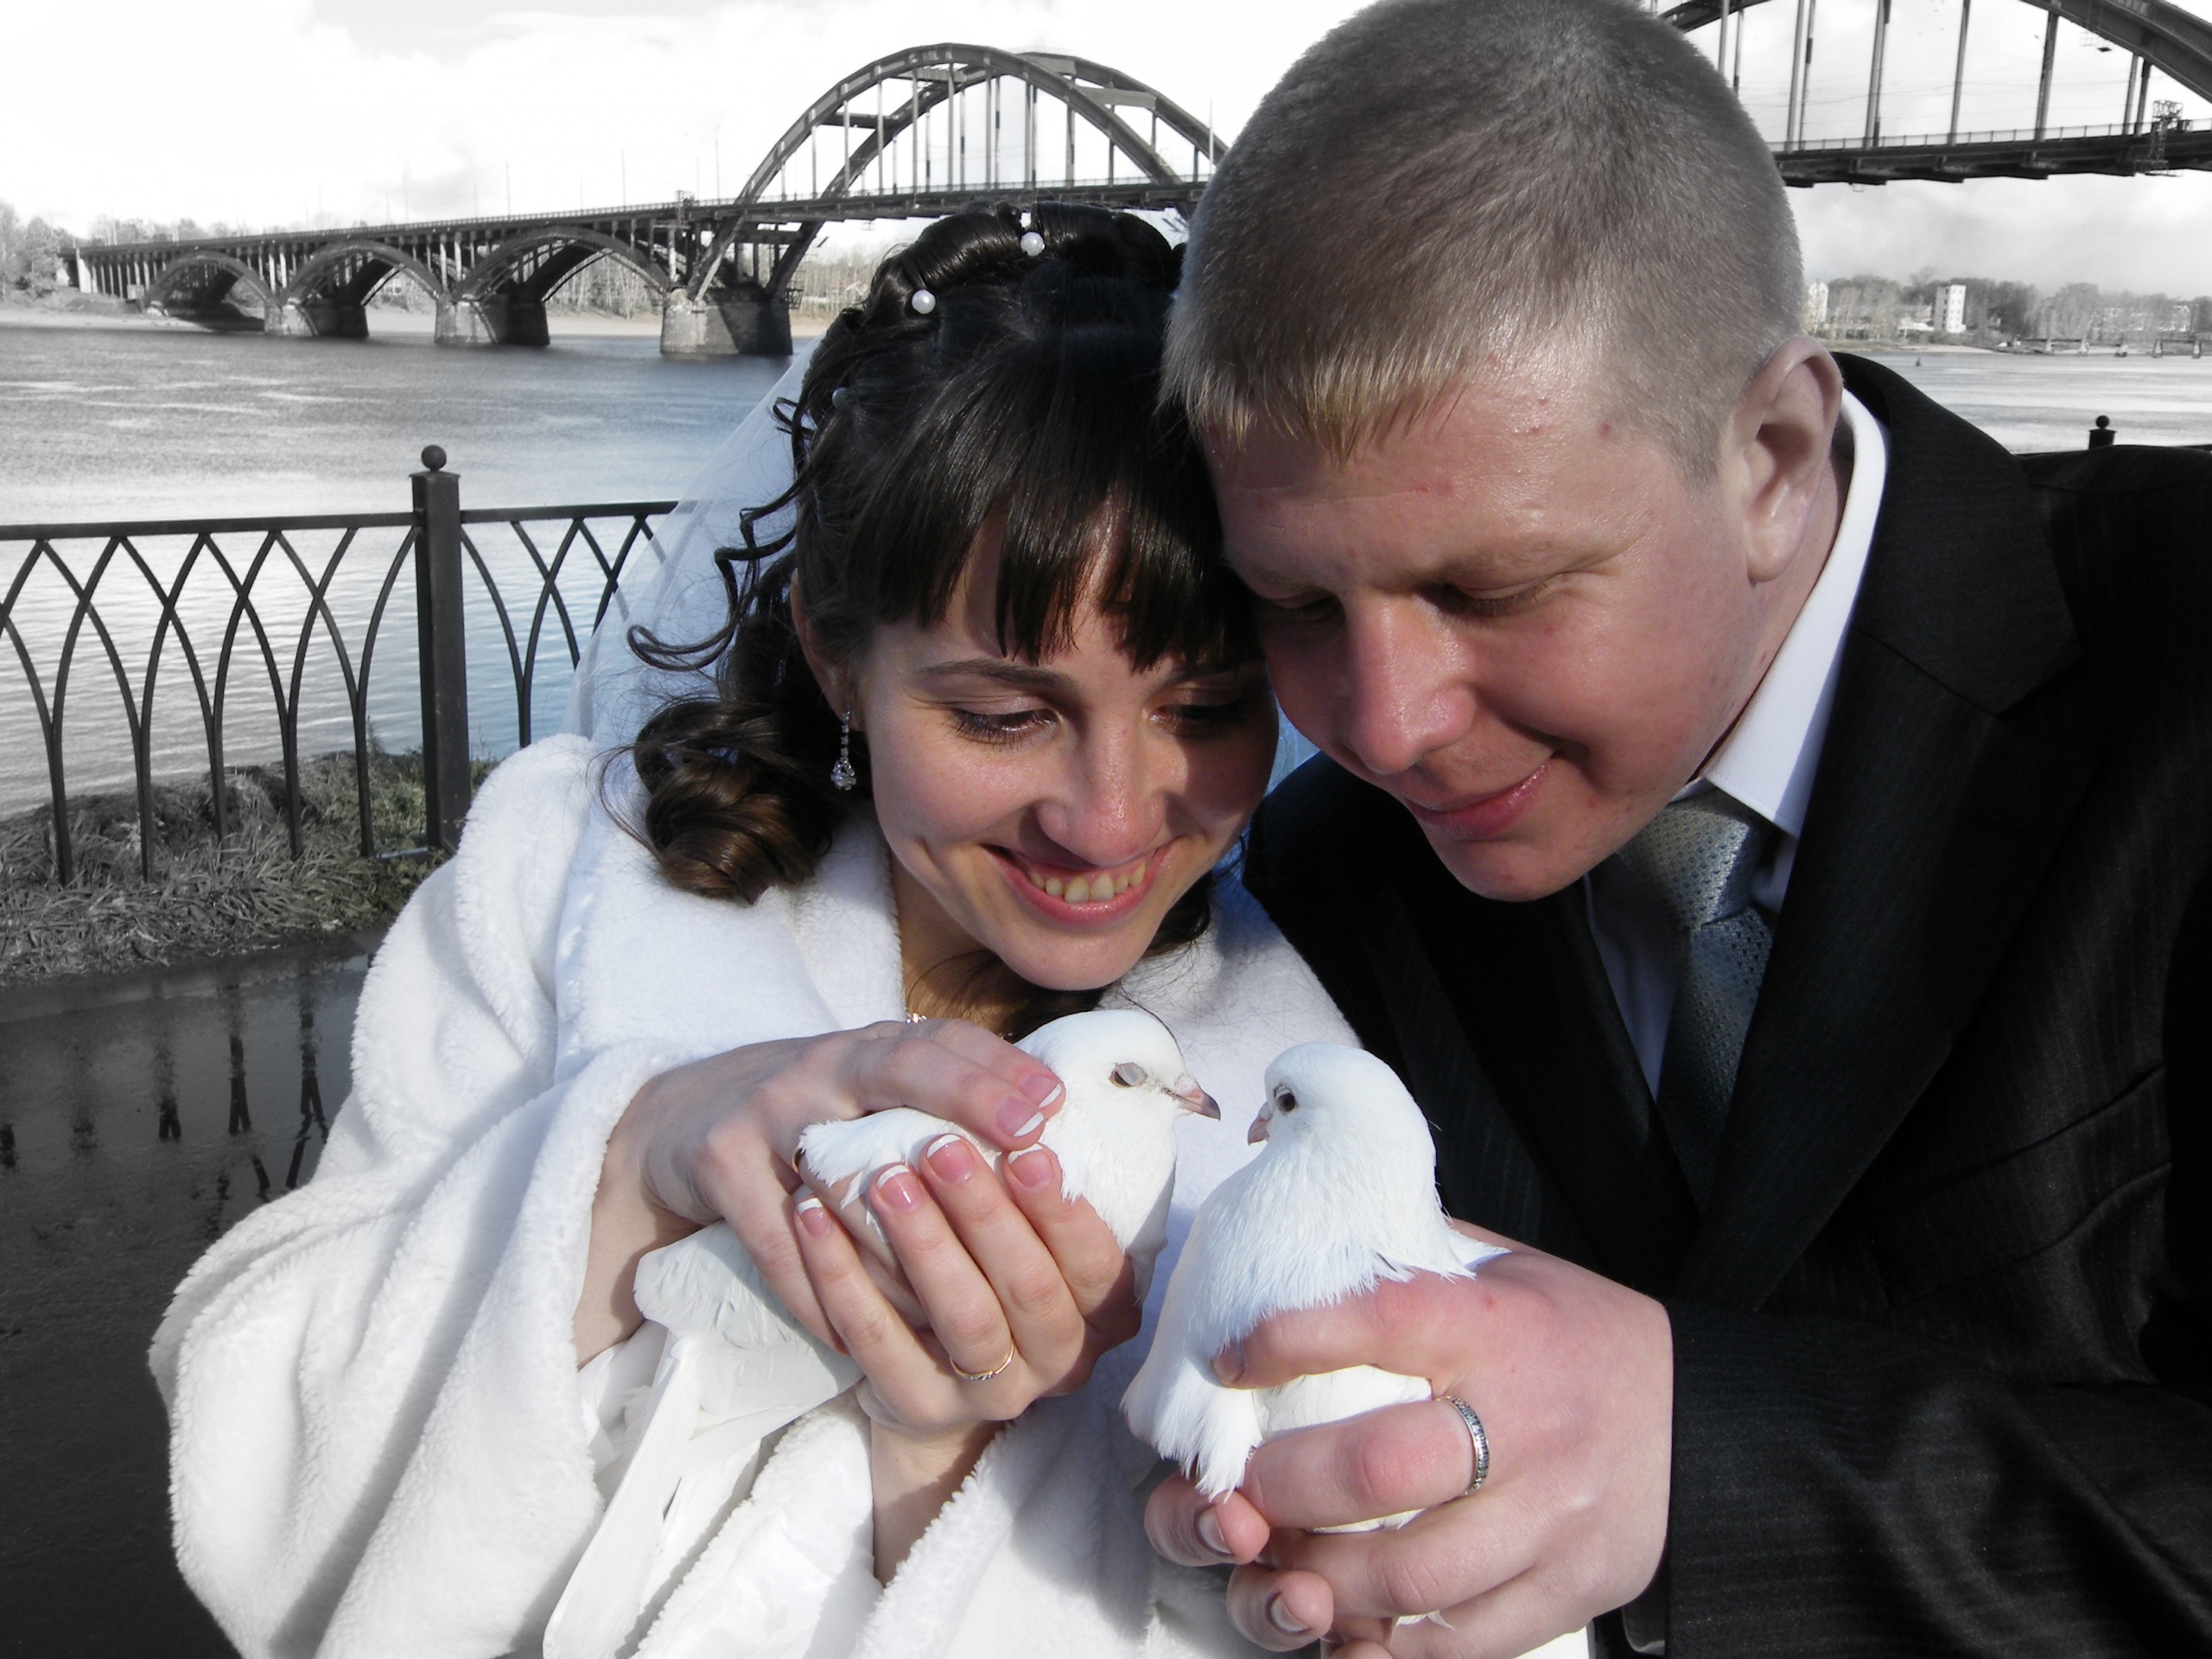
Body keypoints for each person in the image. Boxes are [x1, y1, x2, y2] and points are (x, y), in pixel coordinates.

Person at [1136, 0, 2212, 1655]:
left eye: (1492, 587)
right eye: (1292, 603)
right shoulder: (1326, 873)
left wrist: (1700, 1460)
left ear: (1773, 459)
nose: (1382, 728)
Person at [151, 206, 1357, 1659]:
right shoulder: (566, 886)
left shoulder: (1291, 1110)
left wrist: (939, 1462)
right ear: (836, 658)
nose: (1107, 823)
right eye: (1002, 714)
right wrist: (625, 1172)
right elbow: (251, 1458)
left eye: (1207, 710)